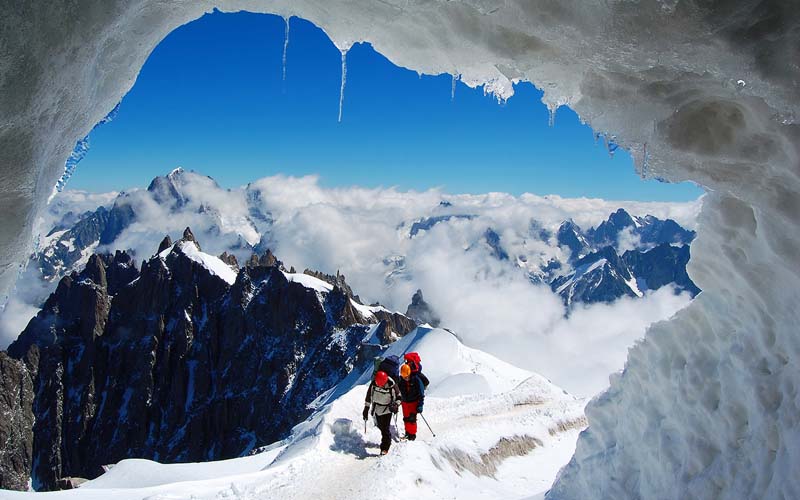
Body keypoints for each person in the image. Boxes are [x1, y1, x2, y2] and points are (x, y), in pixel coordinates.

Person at [363, 370, 401, 455]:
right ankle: (387, 439)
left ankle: (385, 447)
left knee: (385, 428)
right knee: (381, 426)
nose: (379, 386)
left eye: (381, 384)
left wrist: (395, 405)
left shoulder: (391, 385)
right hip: (377, 409)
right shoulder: (374, 383)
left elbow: (399, 397)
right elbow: (368, 396)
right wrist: (366, 408)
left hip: (388, 409)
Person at [398, 362, 427, 441]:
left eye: (407, 377)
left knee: (412, 419)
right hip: (405, 402)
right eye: (404, 377)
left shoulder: (416, 379)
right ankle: (407, 433)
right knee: (406, 418)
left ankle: (412, 436)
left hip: (414, 402)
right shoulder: (401, 380)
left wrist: (420, 405)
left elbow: (421, 393)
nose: (406, 378)